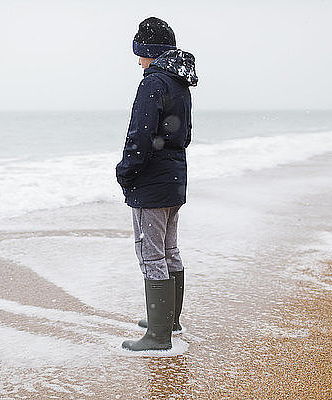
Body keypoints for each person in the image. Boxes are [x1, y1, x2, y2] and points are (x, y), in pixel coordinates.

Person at [116, 16, 197, 351]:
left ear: (152, 51)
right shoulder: (180, 82)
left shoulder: (154, 83)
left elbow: (141, 135)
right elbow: (185, 134)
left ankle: (157, 336)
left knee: (151, 253)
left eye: (141, 53)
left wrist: (126, 171)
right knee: (169, 250)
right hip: (175, 177)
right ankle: (168, 320)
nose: (139, 61)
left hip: (151, 182)